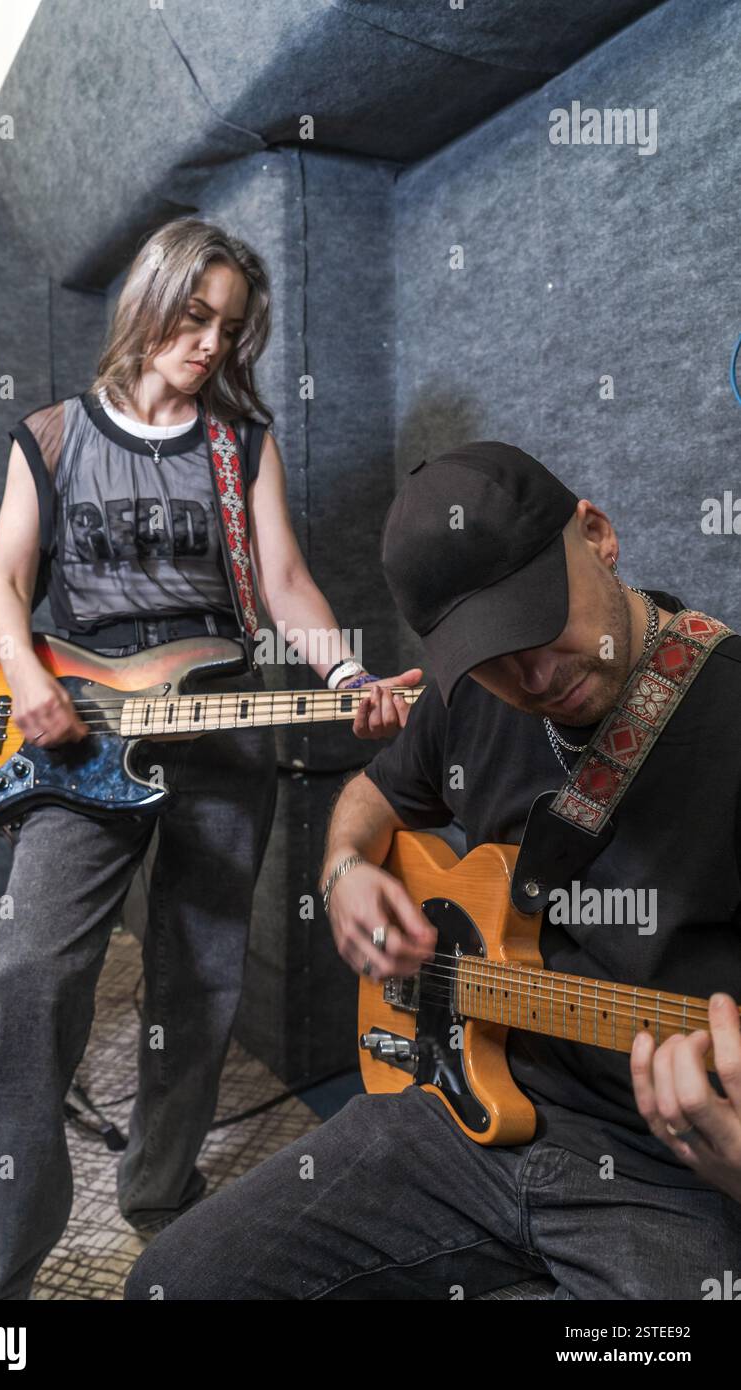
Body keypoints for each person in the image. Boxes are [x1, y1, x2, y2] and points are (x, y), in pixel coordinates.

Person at [125, 441, 741, 1301]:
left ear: (597, 534)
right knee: (174, 1284)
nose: (533, 676)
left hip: (672, 1175)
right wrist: (343, 870)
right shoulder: (473, 695)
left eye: (538, 622)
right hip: (463, 1109)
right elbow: (373, 798)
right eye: (491, 654)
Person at [0, 217, 421, 1300]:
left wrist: (347, 681)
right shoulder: (54, 435)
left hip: (221, 727)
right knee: (27, 977)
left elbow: (290, 583)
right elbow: (4, 583)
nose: (209, 343)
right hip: (83, 736)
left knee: (201, 974)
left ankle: (157, 1189)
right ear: (149, 299)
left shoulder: (238, 444)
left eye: (229, 327)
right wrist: (24, 674)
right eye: (194, 315)